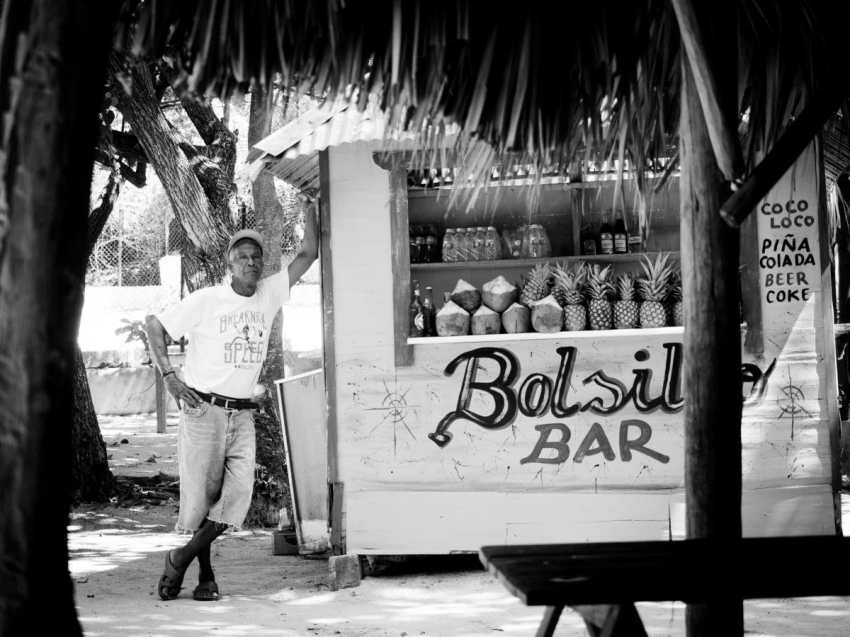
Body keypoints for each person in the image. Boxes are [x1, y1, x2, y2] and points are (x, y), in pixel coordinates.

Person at [145, 209, 318, 601]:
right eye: (243, 256)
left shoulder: (270, 293)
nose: (251, 262)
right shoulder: (208, 300)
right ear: (229, 263)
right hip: (203, 410)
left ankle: (181, 557)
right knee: (203, 500)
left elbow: (308, 253)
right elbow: (154, 324)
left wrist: (310, 207)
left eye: (257, 256)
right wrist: (169, 376)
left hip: (242, 413)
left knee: (237, 495)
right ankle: (205, 577)